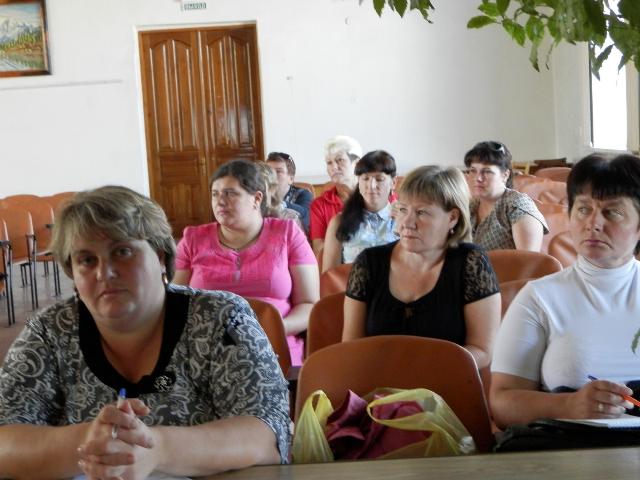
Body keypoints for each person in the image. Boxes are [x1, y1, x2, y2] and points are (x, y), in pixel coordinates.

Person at [0, 186, 290, 479]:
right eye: (87, 260)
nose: (104, 272)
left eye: (122, 252)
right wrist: (93, 442)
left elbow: (267, 435)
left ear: (160, 256)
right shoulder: (49, 332)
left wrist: (156, 448)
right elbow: (4, 437)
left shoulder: (220, 319)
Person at [490, 153, 640, 429]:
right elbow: (501, 402)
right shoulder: (539, 298)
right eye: (583, 209)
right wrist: (568, 406)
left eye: (613, 212)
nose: (593, 223)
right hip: (570, 449)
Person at [342, 165, 501, 369]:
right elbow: (351, 347)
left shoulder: (471, 263)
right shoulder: (369, 263)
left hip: (445, 382)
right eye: (403, 209)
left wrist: (422, 374)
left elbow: (482, 350)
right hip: (378, 381)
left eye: (422, 212)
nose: (407, 222)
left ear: (452, 218)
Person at [172, 159, 319, 366]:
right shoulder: (193, 239)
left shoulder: (287, 234)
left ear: (257, 198)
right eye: (215, 194)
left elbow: (309, 304)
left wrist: (268, 330)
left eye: (230, 193)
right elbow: (175, 304)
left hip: (275, 347)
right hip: (209, 352)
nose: (220, 202)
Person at [322, 150, 399, 273]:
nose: (371, 185)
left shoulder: (403, 221)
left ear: (393, 183)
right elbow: (329, 275)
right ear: (358, 181)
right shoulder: (339, 222)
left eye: (379, 179)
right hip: (349, 284)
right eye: (365, 178)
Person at [465, 141, 548, 251]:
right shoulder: (471, 206)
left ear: (505, 175)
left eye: (487, 171)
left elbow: (529, 260)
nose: (478, 178)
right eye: (473, 171)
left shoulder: (517, 205)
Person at [310, 135, 363, 256]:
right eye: (329, 163)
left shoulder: (376, 195)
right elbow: (318, 250)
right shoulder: (319, 205)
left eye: (340, 160)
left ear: (357, 163)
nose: (334, 167)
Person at [267, 151, 312, 233]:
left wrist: (279, 204)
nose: (271, 176)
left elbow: (304, 213)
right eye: (269, 171)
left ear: (291, 179)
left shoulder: (303, 193)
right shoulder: (259, 194)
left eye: (278, 171)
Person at [256, 160, 304, 231]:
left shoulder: (290, 219)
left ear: (272, 189)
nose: (254, 194)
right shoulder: (242, 218)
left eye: (260, 187)